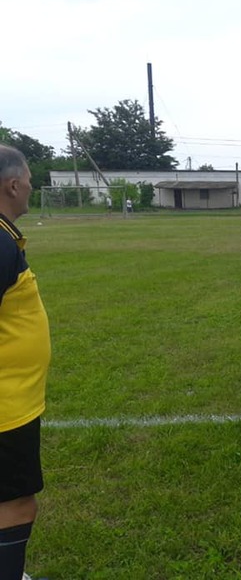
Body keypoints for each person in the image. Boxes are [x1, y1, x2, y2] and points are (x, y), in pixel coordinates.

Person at [0, 145, 51, 580]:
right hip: (6, 408)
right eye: (29, 179)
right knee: (15, 502)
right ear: (12, 185)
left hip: (10, 401)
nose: (32, 186)